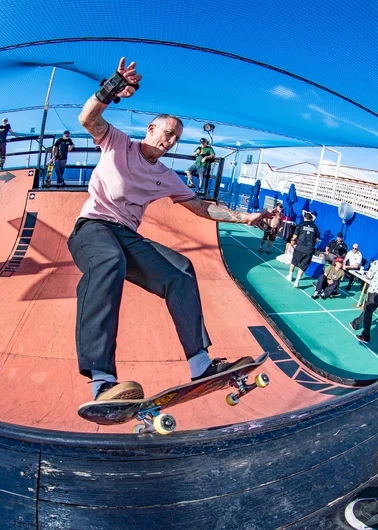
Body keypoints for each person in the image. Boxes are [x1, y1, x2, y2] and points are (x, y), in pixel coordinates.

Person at [68, 57, 275, 402]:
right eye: (166, 134)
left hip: (127, 237)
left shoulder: (166, 175)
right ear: (151, 129)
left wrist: (243, 217)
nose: (169, 142)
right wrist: (113, 86)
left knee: (180, 270)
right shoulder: (118, 143)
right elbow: (87, 117)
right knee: (108, 261)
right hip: (92, 229)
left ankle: (200, 363)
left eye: (175, 139)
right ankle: (102, 380)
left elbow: (199, 205)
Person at [285, 211, 320, 288]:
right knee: (303, 265)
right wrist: (312, 245)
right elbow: (317, 240)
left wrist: (292, 242)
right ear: (311, 219)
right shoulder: (315, 227)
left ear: (304, 218)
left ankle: (290, 276)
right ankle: (297, 282)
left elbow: (294, 237)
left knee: (294, 261)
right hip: (309, 249)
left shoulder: (300, 225)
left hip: (300, 247)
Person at [349, 260, 378, 343]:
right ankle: (355, 323)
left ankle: (365, 336)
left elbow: (368, 276)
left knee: (368, 313)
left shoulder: (376, 263)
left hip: (375, 292)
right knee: (368, 311)